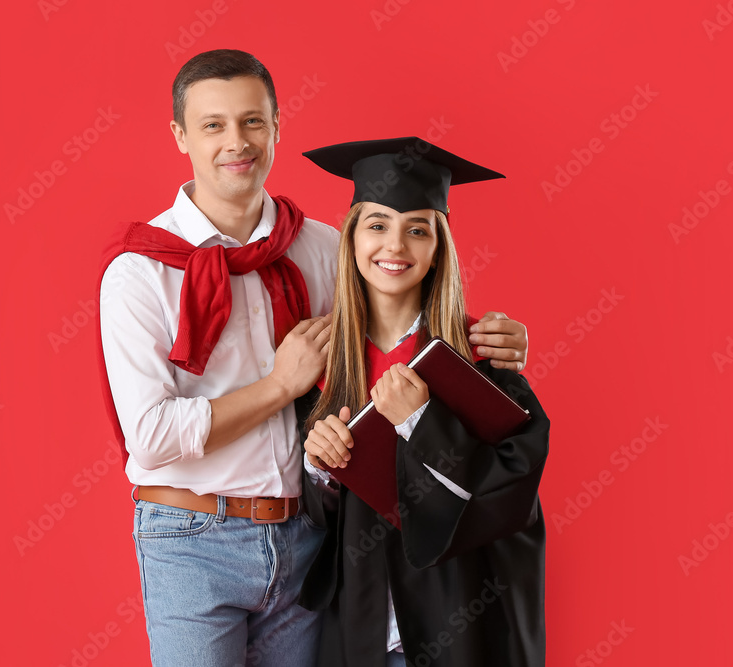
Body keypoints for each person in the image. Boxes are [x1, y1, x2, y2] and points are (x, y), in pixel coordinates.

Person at [95, 50, 531, 667]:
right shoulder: (139, 272)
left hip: (307, 537)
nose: (236, 142)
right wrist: (280, 387)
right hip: (192, 540)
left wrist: (484, 337)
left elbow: (395, 309)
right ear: (180, 136)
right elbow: (151, 435)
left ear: (277, 126)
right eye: (212, 124)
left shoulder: (320, 249)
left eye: (252, 121)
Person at [299, 137, 550, 667]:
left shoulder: (475, 357)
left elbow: (515, 491)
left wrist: (422, 421)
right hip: (362, 628)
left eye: (418, 230)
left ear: (439, 249)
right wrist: (320, 468)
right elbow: (318, 520)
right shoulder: (325, 362)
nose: (395, 246)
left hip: (457, 626)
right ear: (351, 238)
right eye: (377, 225)